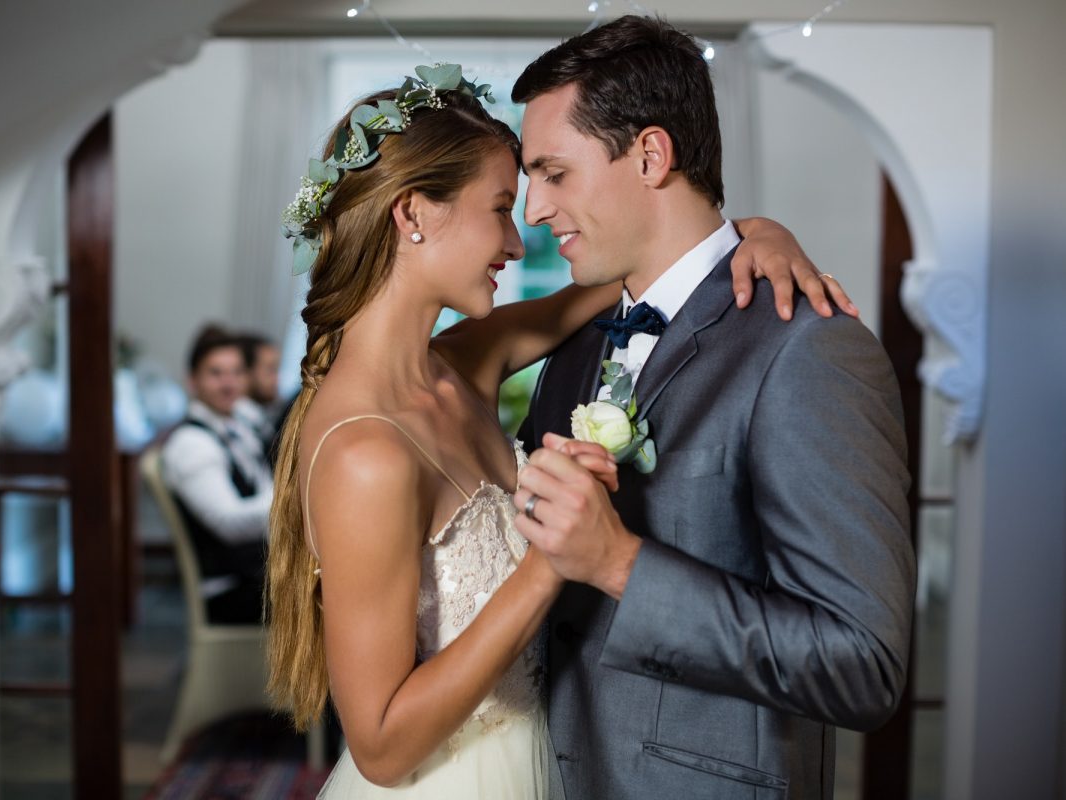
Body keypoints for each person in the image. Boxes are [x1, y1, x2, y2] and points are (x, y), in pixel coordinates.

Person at [264, 64, 852, 798]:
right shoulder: (364, 454)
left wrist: (759, 235)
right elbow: (381, 747)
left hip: (558, 757)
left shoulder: (465, 362)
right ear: (413, 213)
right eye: (501, 206)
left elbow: (647, 262)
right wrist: (553, 559)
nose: (517, 241)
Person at [509, 16, 916, 799]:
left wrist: (620, 565)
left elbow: (862, 665)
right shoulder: (571, 348)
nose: (533, 210)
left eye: (553, 174)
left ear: (651, 155)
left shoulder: (809, 350)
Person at [161, 324, 272, 625]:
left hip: (255, 573)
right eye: (216, 373)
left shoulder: (238, 423)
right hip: (230, 590)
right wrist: (295, 504)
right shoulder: (192, 444)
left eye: (237, 372)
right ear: (192, 381)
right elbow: (229, 522)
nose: (229, 383)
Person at [236, 331, 282, 460]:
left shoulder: (260, 421)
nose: (277, 379)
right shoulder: (239, 428)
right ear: (245, 372)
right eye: (270, 369)